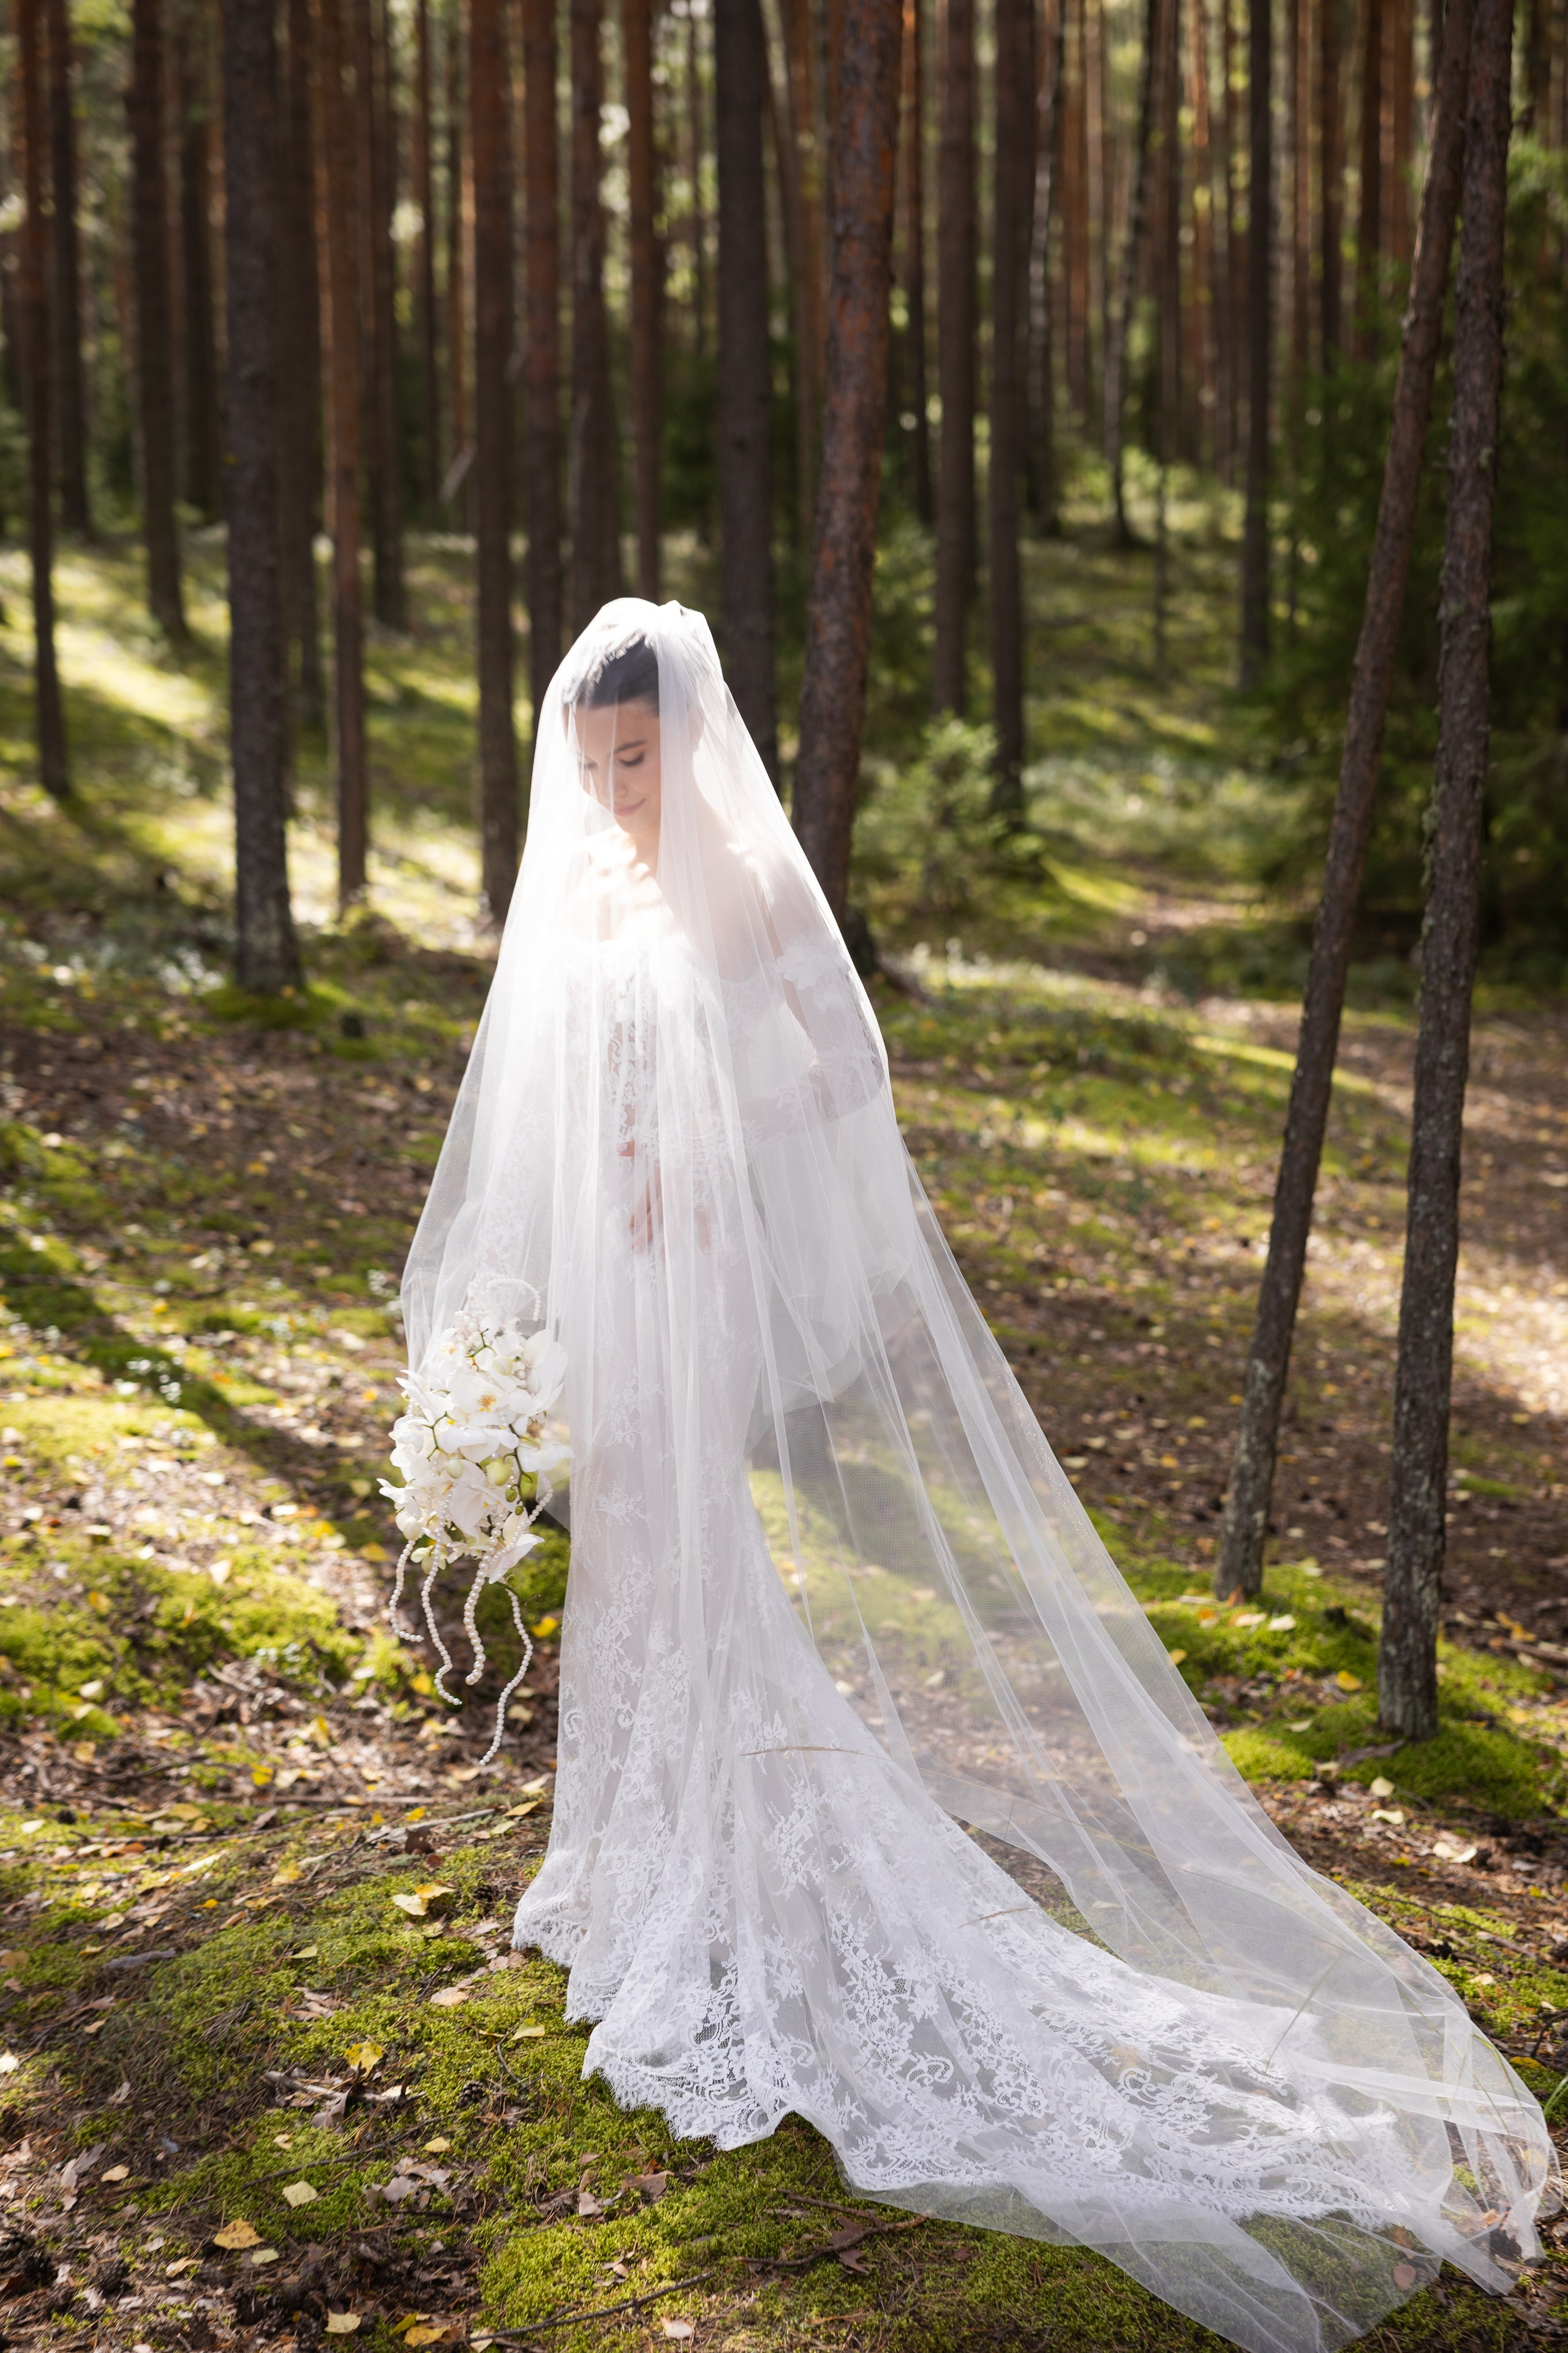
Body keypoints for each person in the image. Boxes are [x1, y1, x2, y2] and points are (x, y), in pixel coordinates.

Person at [400, 600, 1555, 2353]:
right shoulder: (591, 883)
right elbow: (547, 1092)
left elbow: (843, 1064)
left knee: (688, 1540)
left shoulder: (748, 884)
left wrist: (708, 1150)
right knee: (622, 1542)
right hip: (605, 1282)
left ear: (688, 742)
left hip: (697, 1268)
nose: (614, 792)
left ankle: (734, 1860)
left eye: (635, 761)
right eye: (592, 766)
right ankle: (630, 1852)